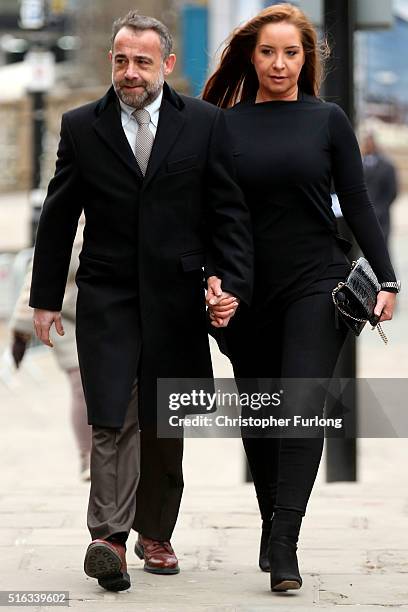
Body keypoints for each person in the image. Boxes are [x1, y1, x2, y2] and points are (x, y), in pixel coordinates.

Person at [29, 12, 252, 592]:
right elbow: (58, 218)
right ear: (112, 60)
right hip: (106, 297)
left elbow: (227, 213)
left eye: (142, 62)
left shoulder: (203, 124)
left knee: (163, 421)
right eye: (121, 60)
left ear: (167, 65)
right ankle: (107, 538)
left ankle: (156, 532)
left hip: (177, 299)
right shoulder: (82, 126)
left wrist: (226, 280)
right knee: (112, 413)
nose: (129, 72)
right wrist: (46, 298)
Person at [203, 3, 400, 593]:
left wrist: (387, 280)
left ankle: (285, 541)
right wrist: (212, 281)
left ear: (306, 59)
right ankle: (271, 519)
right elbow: (210, 214)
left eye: (292, 52)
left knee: (300, 406)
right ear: (251, 56)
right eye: (268, 52)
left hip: (317, 281)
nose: (280, 63)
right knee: (263, 418)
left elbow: (359, 203)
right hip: (246, 289)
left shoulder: (328, 119)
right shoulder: (224, 125)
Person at [10, 222, 92, 481]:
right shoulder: (68, 220)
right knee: (81, 384)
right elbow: (37, 275)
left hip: (108, 318)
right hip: (66, 319)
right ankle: (88, 457)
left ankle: (117, 453)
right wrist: (21, 330)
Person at [361, 132, 399, 247]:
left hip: (381, 215)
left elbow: (392, 191)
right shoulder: (358, 164)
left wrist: (381, 208)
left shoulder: (387, 166)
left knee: (383, 247)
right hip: (362, 216)